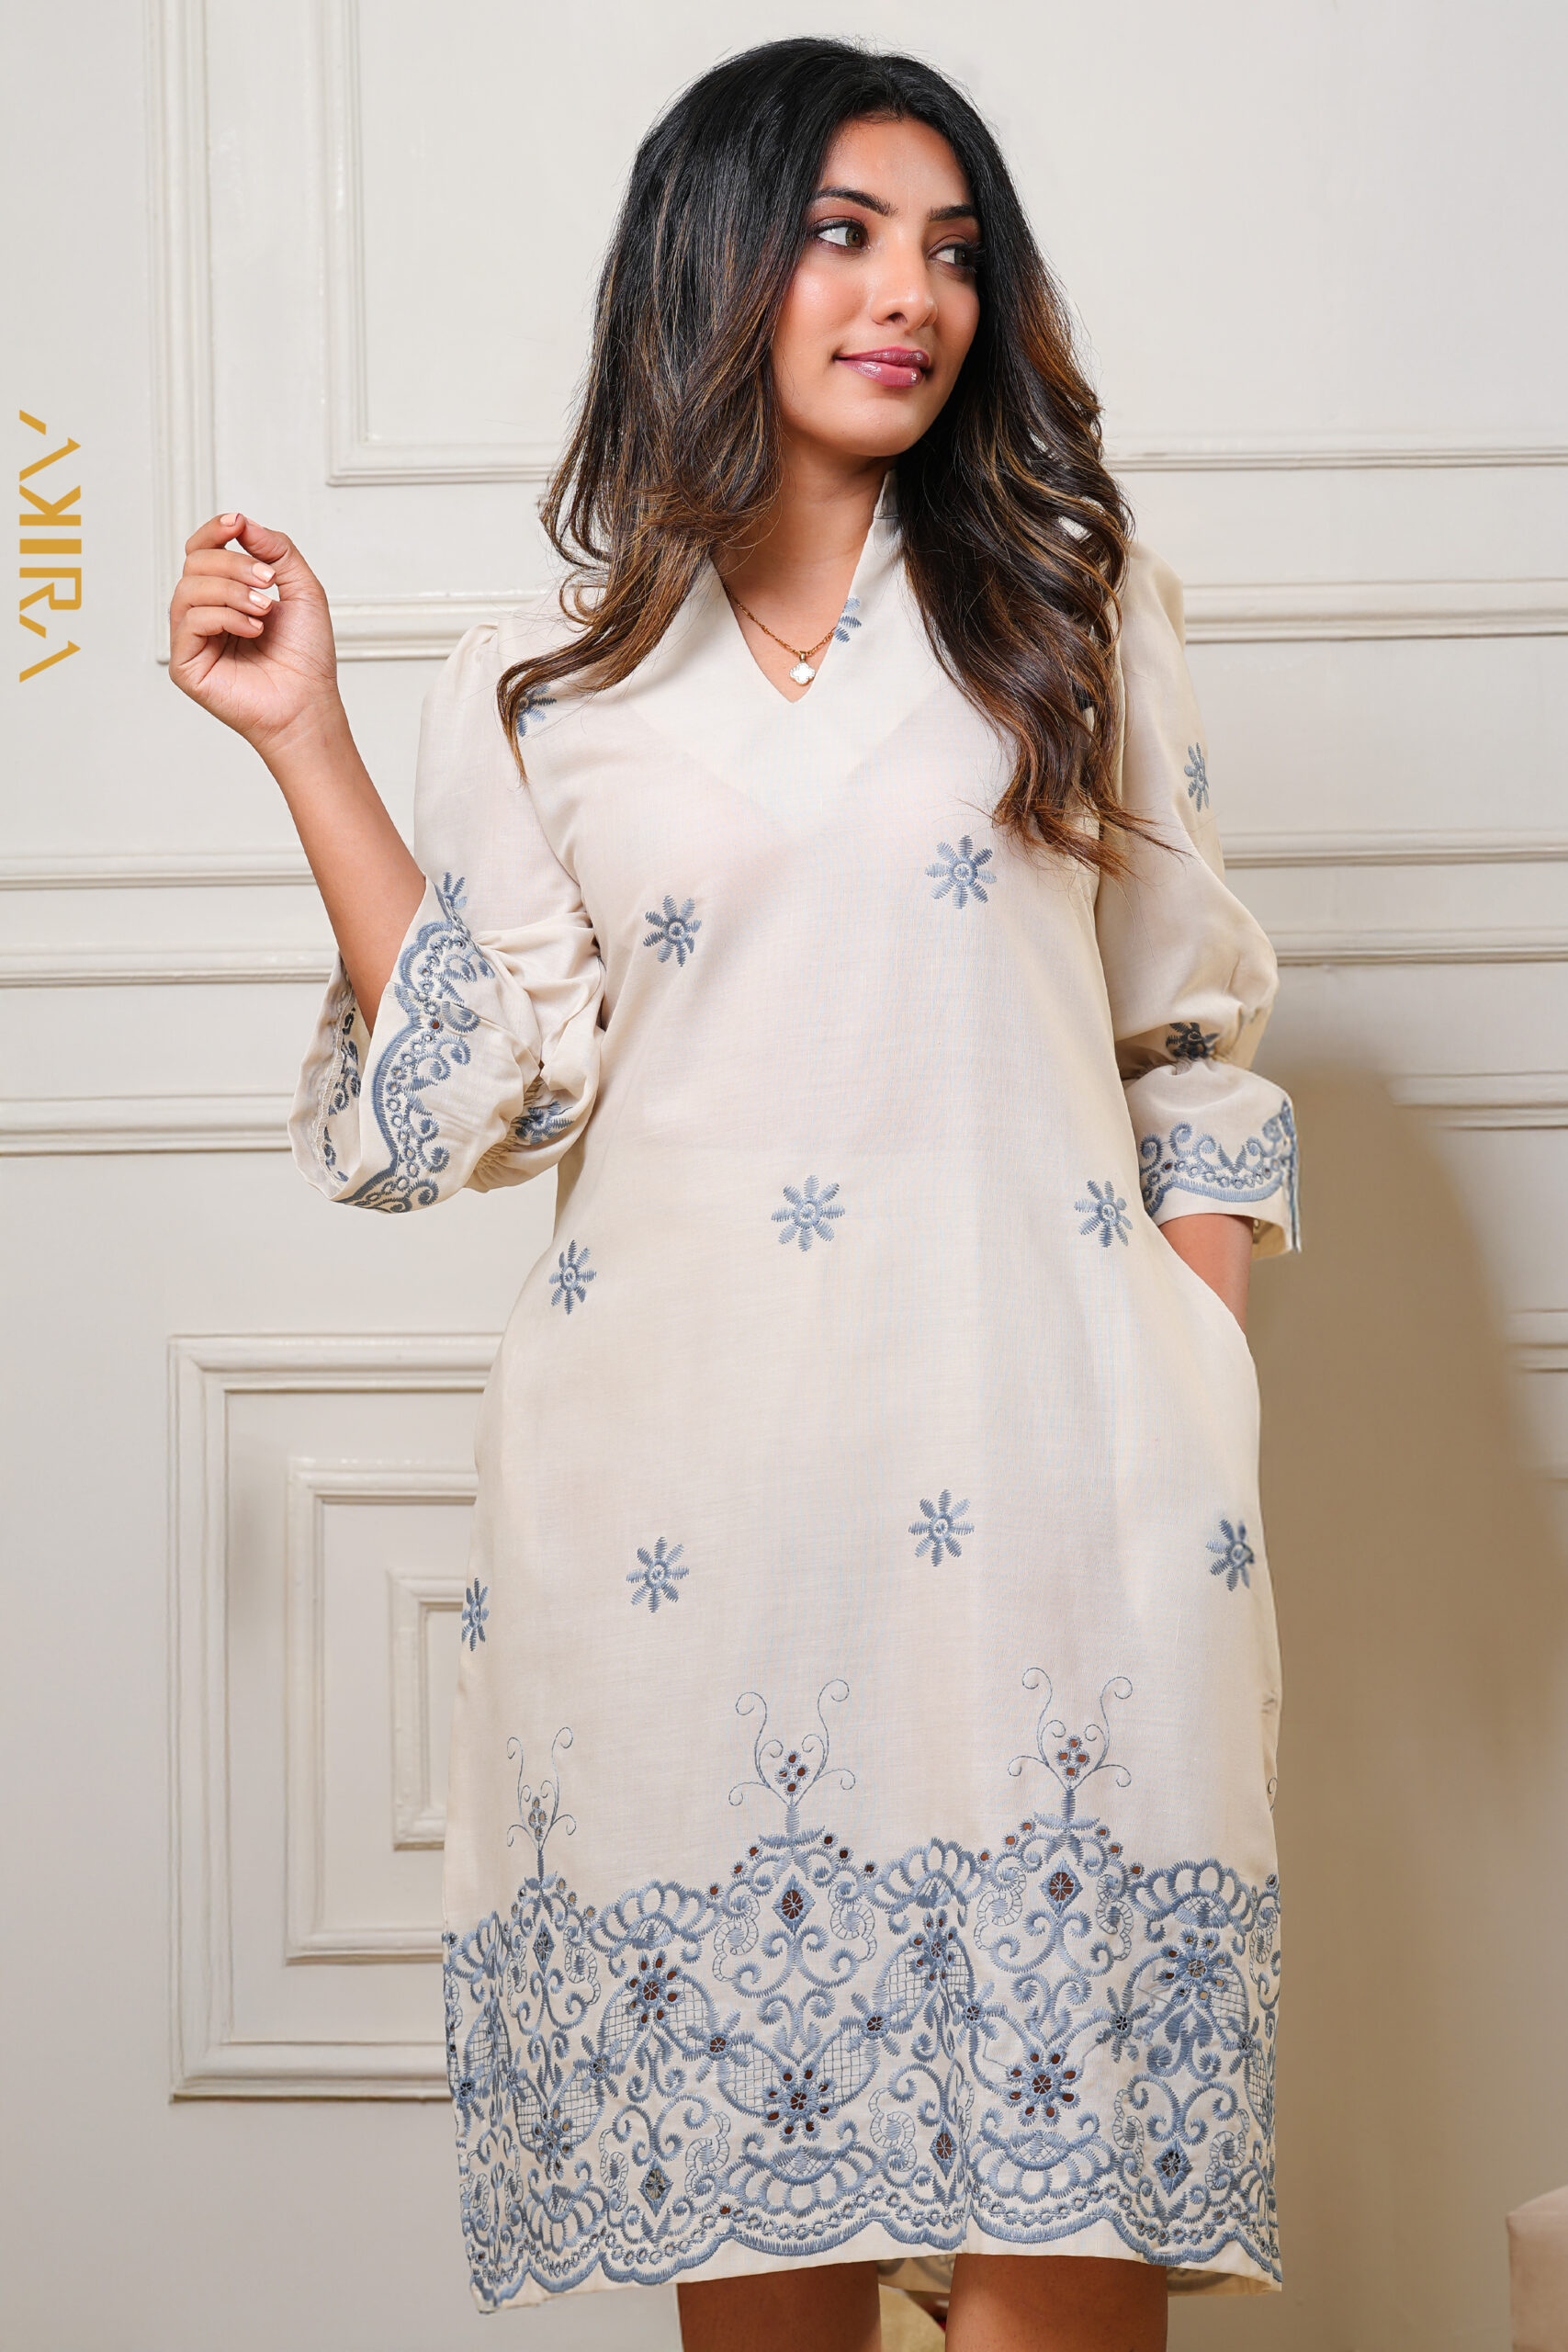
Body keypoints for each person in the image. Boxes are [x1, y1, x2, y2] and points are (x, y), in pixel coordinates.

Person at [168, 40, 1298, 2352]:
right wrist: (306, 738)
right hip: (688, 1530)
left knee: (1058, 2246)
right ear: (712, 261)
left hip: (1056, 1510)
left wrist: (1188, 1376)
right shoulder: (547, 670)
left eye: (950, 250)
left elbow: (1183, 1047)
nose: (910, 295)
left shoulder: (1064, 611)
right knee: (762, 2277)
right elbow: (464, 1103)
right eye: (843, 235)